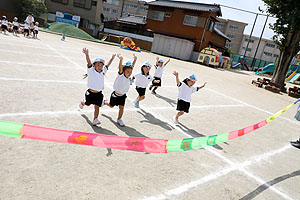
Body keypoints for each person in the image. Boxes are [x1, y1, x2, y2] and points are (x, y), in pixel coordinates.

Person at [79, 48, 116, 126]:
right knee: (88, 104)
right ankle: (83, 102)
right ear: (94, 65)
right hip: (90, 93)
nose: (100, 67)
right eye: (98, 65)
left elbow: (107, 65)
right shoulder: (91, 71)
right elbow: (89, 63)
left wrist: (112, 58)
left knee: (97, 106)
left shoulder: (103, 71)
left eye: (101, 65)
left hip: (99, 94)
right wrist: (87, 54)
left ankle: (95, 119)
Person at [104, 54, 137, 127]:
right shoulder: (120, 75)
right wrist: (121, 60)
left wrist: (135, 60)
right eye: (128, 71)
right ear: (123, 70)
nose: (129, 73)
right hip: (115, 95)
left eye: (130, 72)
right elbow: (120, 69)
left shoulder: (128, 77)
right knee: (111, 105)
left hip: (122, 96)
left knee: (121, 108)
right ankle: (104, 102)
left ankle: (119, 119)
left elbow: (132, 68)